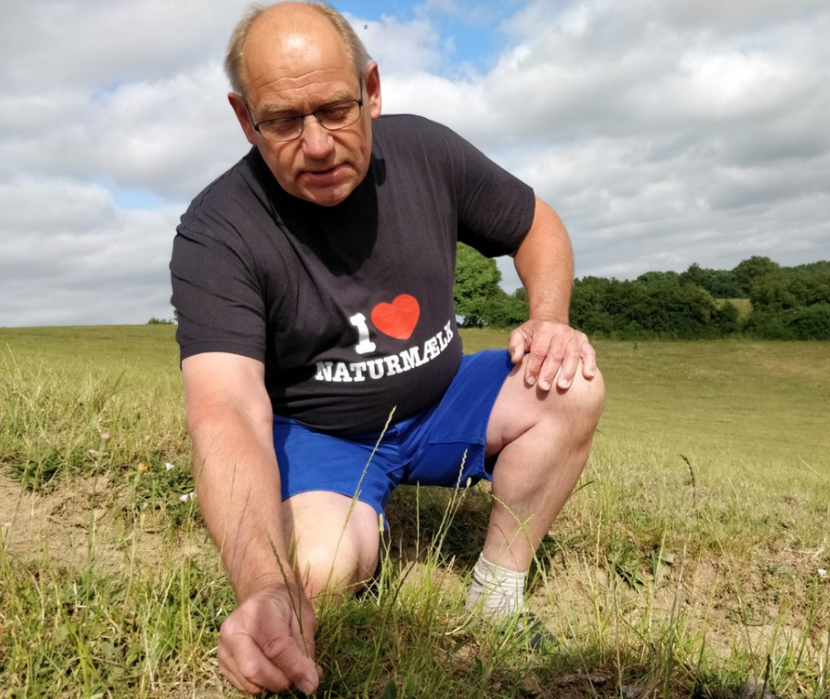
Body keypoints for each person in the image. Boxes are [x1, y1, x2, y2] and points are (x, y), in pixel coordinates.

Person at [169, 1, 604, 694]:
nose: (316, 144)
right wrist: (262, 584)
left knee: (572, 382)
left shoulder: (428, 152)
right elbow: (226, 406)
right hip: (322, 434)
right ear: (244, 117)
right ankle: (342, 537)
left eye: (335, 109)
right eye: (282, 119)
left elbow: (537, 224)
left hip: (444, 401)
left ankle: (497, 595)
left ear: (372, 90)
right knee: (316, 575)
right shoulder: (217, 231)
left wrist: (549, 317)